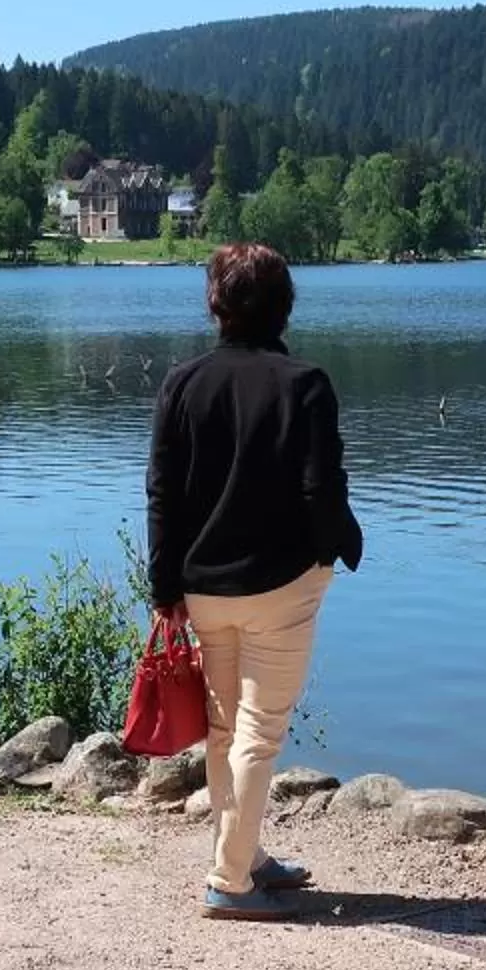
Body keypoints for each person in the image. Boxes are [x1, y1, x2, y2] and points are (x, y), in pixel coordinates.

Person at [147, 242, 364, 922]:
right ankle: (230, 881)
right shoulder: (305, 384)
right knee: (259, 733)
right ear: (284, 304)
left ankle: (246, 854)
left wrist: (164, 587)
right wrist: (340, 548)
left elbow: (162, 494)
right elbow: (321, 489)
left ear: (216, 305)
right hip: (282, 584)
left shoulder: (182, 382)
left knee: (224, 730)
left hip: (203, 584)